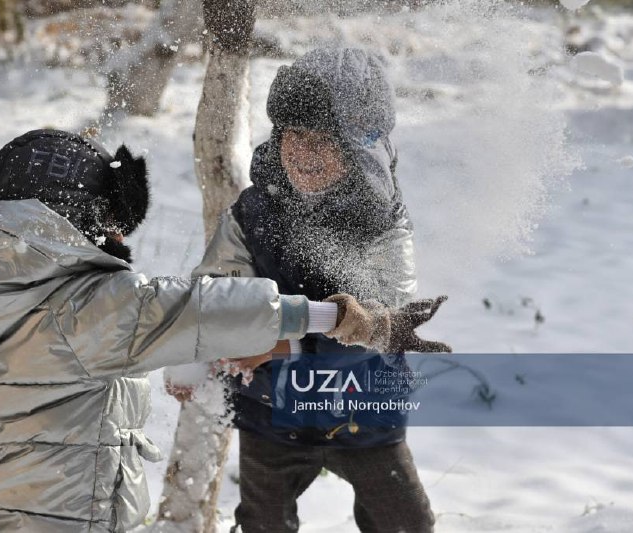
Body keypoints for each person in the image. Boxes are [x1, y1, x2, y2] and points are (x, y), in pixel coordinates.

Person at [0, 129, 402, 532]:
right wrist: (327, 317)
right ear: (70, 218)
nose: (120, 238)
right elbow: (197, 310)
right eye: (111, 221)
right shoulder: (82, 309)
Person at [183, 48, 451, 532]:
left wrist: (283, 344)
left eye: (324, 140)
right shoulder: (253, 213)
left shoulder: (382, 224)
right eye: (295, 135)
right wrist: (201, 354)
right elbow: (218, 293)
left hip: (363, 411)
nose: (304, 153)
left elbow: (386, 323)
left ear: (356, 146)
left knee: (405, 522)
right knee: (263, 520)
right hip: (272, 413)